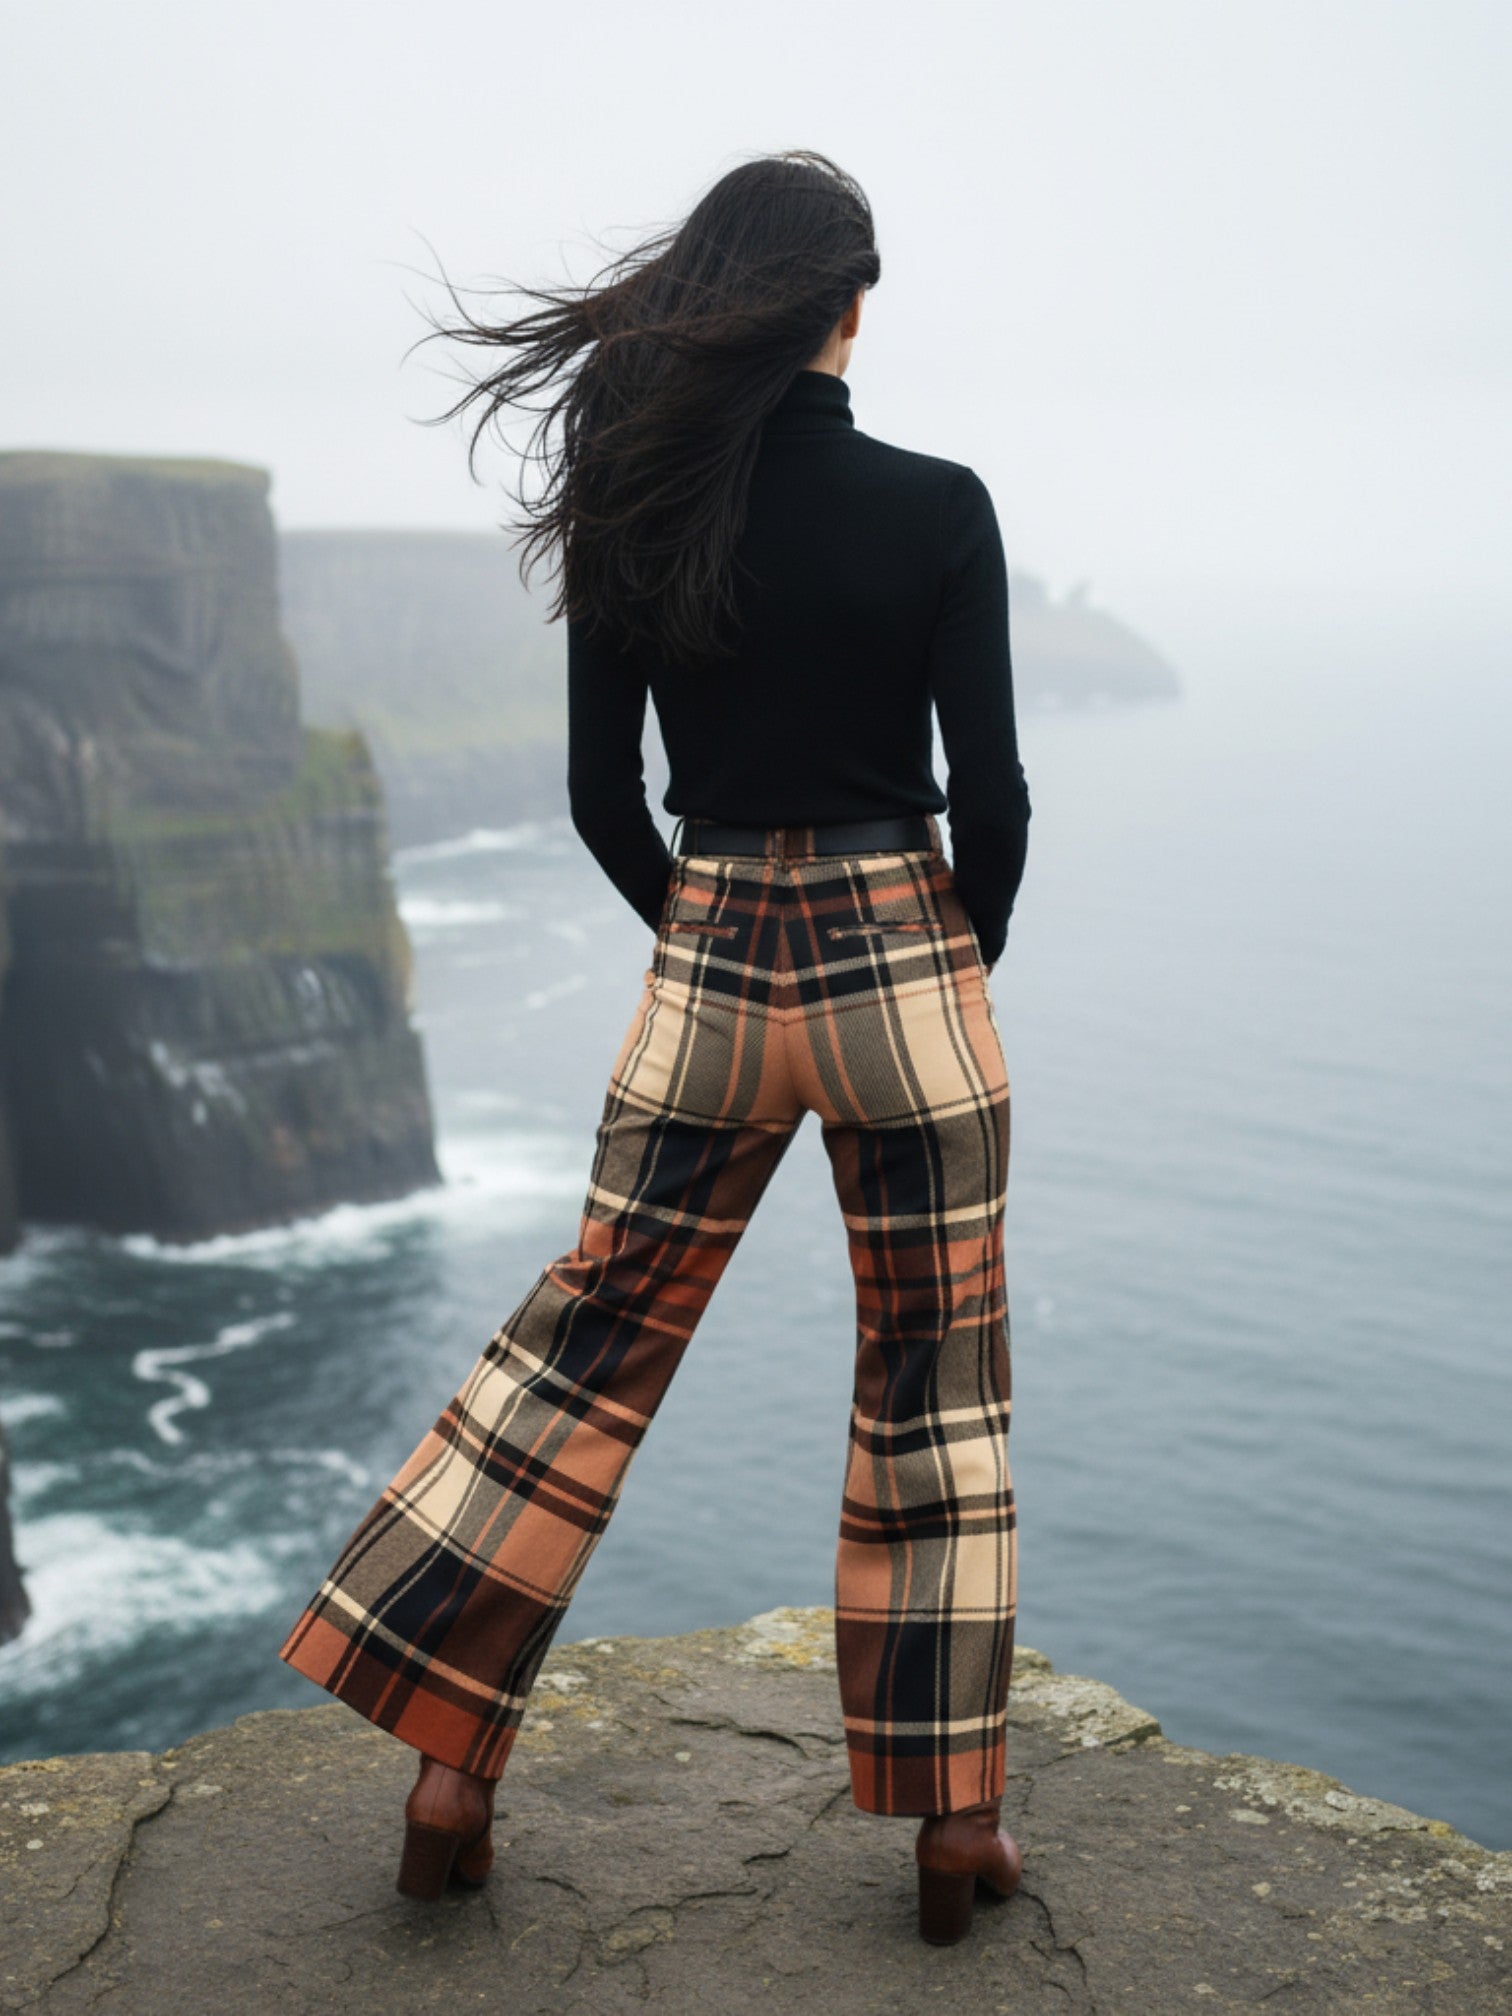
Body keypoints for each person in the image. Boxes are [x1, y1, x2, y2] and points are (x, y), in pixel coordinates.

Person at [277, 148, 1031, 1948]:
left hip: (708, 960)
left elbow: (598, 798)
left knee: (579, 1360)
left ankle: (451, 1779)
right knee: (937, 1392)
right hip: (902, 970)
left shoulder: (639, 502)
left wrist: (702, 936)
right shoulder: (942, 506)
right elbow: (989, 798)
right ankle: (954, 1832)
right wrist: (948, 951)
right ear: (851, 304)